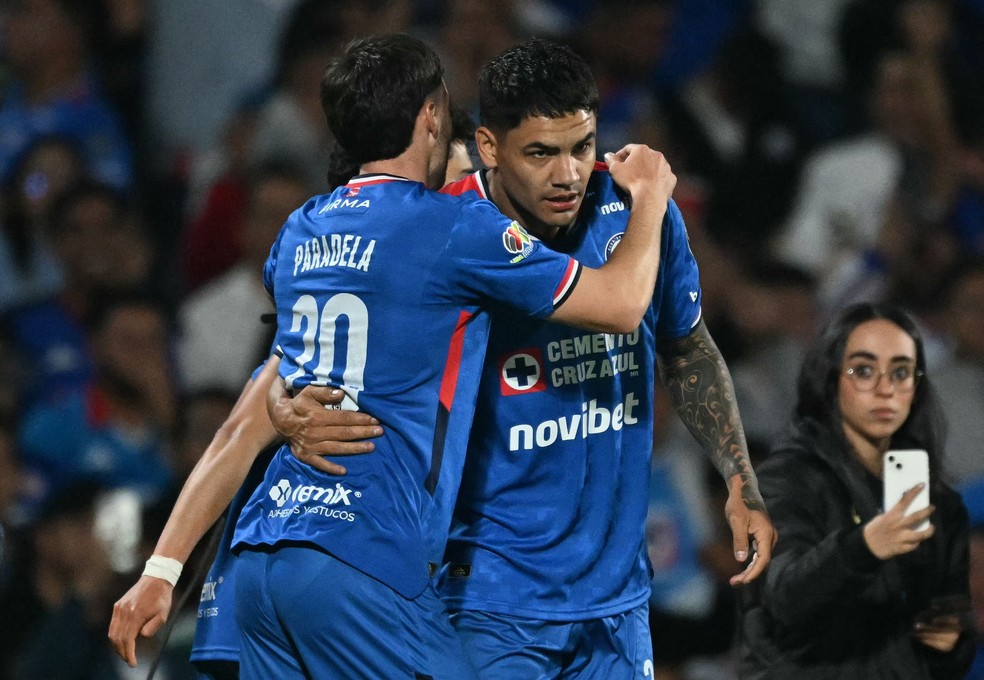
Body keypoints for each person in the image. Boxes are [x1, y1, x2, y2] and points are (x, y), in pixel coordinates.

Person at [113, 32, 676, 679]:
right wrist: (652, 195)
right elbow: (623, 304)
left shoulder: (302, 231)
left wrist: (160, 569)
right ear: (431, 117)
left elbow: (244, 422)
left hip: (264, 559)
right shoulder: (452, 228)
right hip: (364, 559)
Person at [276, 38, 775, 678]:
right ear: (488, 147)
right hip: (486, 605)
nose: (567, 174)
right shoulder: (441, 232)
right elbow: (318, 354)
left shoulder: (635, 214)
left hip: (617, 602)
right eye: (540, 153)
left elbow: (688, 346)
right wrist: (283, 403)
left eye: (581, 147)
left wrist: (740, 479)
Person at [738, 302, 975, 679]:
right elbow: (783, 599)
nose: (885, 389)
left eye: (900, 372)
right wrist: (864, 547)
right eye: (864, 371)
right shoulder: (787, 480)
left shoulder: (939, 503)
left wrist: (949, 639)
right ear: (830, 379)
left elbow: (948, 655)